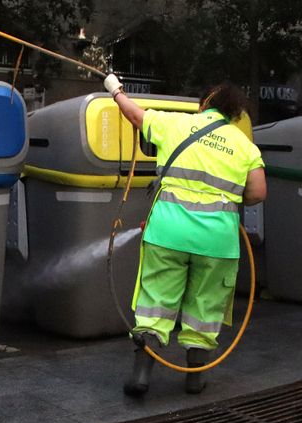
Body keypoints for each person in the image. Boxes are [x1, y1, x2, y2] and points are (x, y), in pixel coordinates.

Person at [103, 74, 267, 396]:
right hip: (217, 242)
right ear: (234, 113)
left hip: (168, 234)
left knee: (155, 303)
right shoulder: (245, 147)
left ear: (204, 103)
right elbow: (258, 192)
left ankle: (141, 375)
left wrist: (115, 90)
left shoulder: (175, 124)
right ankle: (195, 378)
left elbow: (135, 115)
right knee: (205, 307)